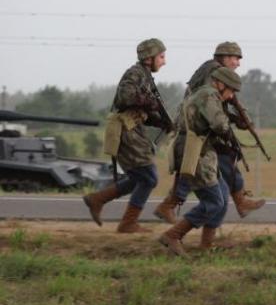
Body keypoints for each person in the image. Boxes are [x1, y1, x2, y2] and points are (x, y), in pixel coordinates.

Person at [154, 41, 266, 223]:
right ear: (225, 58)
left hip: (202, 125)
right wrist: (233, 120)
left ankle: (239, 201)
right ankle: (170, 205)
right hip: (198, 127)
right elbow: (211, 103)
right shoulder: (213, 74)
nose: (238, 63)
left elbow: (225, 101)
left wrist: (238, 117)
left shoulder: (214, 71)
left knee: (219, 160)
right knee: (203, 164)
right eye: (235, 58)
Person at [82, 38, 170, 233]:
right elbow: (126, 98)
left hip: (133, 129)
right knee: (148, 177)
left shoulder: (145, 76)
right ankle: (127, 223)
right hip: (125, 129)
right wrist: (150, 102)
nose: (164, 62)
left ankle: (98, 199)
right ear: (149, 58)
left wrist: (160, 121)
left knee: (140, 177)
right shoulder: (135, 73)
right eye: (161, 57)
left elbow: (141, 109)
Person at [158, 67, 242, 256]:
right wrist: (231, 122)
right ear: (220, 84)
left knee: (221, 196)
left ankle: (206, 244)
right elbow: (220, 125)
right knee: (214, 201)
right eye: (231, 90)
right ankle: (173, 235)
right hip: (196, 151)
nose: (231, 96)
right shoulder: (208, 95)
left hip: (201, 149)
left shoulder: (205, 94)